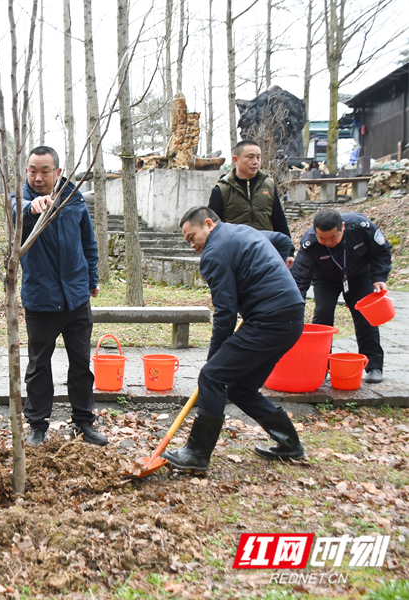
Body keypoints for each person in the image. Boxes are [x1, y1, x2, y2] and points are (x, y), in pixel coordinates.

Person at [162, 206, 306, 472]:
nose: (191, 245)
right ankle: (289, 444)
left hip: (270, 320)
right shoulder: (243, 232)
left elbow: (226, 315)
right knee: (241, 388)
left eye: (192, 237)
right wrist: (280, 266)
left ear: (209, 223)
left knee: (213, 376)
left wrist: (213, 363)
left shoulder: (214, 254)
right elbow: (282, 241)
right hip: (291, 317)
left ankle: (197, 453)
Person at [13, 146, 107, 447]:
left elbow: (88, 243)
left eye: (45, 171)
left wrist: (91, 279)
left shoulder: (74, 197)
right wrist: (33, 207)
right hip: (41, 299)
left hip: (76, 297)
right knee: (39, 365)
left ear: (58, 172)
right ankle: (37, 426)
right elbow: (18, 214)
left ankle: (83, 423)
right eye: (32, 170)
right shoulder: (21, 200)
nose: (38, 177)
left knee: (81, 363)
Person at [290, 209, 392, 384]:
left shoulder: (361, 227)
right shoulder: (310, 243)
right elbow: (300, 277)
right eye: (322, 238)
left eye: (333, 237)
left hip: (359, 276)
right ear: (315, 231)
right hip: (325, 279)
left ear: (342, 227)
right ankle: (321, 366)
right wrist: (294, 303)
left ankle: (374, 365)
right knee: (323, 314)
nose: (328, 242)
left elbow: (381, 251)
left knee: (365, 318)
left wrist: (379, 277)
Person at [208, 140, 292, 260]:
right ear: (236, 159)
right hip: (235, 252)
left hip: (264, 249)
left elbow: (279, 220)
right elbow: (212, 226)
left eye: (258, 157)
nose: (256, 162)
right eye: (250, 157)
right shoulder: (221, 189)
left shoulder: (268, 185)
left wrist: (289, 253)